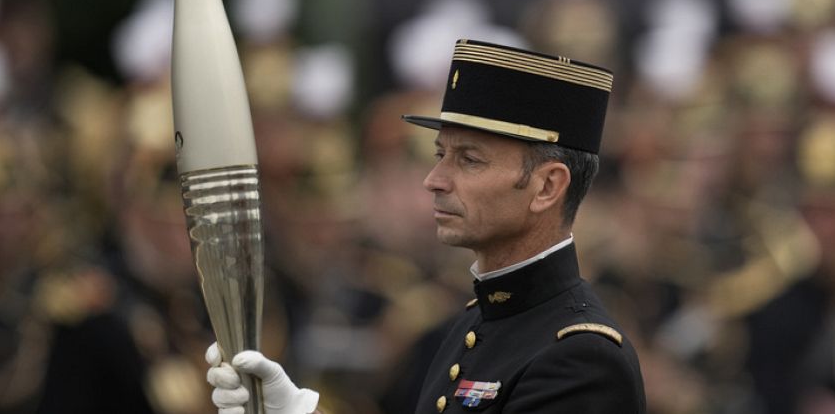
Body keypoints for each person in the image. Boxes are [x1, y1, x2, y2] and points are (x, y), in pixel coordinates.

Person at [206, 38, 647, 413]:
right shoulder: (477, 322)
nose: (434, 181)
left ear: (547, 186)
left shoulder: (580, 358)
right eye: (440, 155)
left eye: (469, 159)